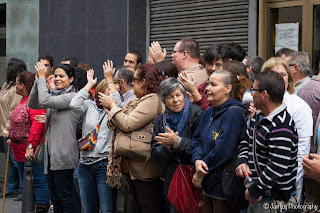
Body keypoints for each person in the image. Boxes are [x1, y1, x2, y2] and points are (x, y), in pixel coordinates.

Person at [99, 64, 165, 213]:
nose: (131, 83)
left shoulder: (152, 100)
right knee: (139, 206)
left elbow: (127, 123)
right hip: (133, 165)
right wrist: (113, 109)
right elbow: (117, 121)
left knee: (148, 206)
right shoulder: (136, 100)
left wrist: (112, 107)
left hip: (145, 166)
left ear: (143, 82)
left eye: (134, 79)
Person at [236, 70, 298, 213]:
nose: (251, 94)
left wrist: (254, 190)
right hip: (259, 198)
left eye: (254, 90)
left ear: (264, 94)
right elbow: (246, 140)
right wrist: (242, 161)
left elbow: (277, 166)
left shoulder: (281, 125)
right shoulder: (259, 116)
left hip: (274, 202)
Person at [191, 69, 248, 213]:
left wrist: (201, 171)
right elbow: (196, 138)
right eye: (208, 84)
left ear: (228, 89)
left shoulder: (234, 112)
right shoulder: (210, 111)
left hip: (223, 185)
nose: (208, 89)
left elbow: (223, 150)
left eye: (213, 85)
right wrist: (197, 160)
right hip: (208, 183)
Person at [28, 63, 81, 212]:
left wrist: (42, 80)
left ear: (71, 79)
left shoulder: (72, 97)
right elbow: (33, 103)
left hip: (64, 154)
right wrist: (39, 81)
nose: (57, 79)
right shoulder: (55, 95)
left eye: (61, 76)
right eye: (55, 76)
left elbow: (44, 101)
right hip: (51, 155)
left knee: (65, 197)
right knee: (55, 197)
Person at [261, 57, 313, 203]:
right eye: (273, 74)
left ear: (289, 79)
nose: (278, 78)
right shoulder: (259, 103)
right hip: (259, 184)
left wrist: (291, 188)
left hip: (285, 188)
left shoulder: (299, 107)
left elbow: (302, 151)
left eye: (283, 75)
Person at [151, 78, 203, 212]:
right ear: (163, 100)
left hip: (194, 175)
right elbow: (155, 153)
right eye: (170, 97)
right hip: (172, 177)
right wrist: (167, 148)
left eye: (178, 95)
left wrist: (176, 142)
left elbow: (202, 146)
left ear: (184, 95)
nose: (176, 100)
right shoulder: (160, 121)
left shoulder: (196, 114)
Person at [70, 69, 118, 213]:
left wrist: (112, 102)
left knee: (106, 208)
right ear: (99, 92)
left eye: (113, 91)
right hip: (85, 164)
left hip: (104, 164)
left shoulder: (117, 110)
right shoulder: (89, 105)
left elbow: (119, 103)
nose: (110, 94)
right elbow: (74, 104)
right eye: (107, 91)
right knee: (87, 208)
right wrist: (89, 84)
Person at [7, 71, 50, 212]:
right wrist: (12, 138)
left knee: (38, 181)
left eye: (17, 83)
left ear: (24, 85)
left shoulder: (34, 101)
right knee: (27, 184)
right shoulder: (23, 100)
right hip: (18, 150)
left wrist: (31, 145)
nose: (16, 87)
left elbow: (37, 125)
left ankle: (41, 207)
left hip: (30, 151)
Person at [0, 58, 26, 198]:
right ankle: (12, 187)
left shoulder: (17, 88)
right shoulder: (7, 85)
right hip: (4, 129)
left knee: (16, 160)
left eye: (10, 66)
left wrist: (7, 128)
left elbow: (14, 111)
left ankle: (23, 188)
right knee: (9, 160)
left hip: (11, 130)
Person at [178, 43, 229, 111]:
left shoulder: (228, 88)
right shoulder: (202, 86)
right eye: (210, 64)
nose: (213, 68)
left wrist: (194, 92)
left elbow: (212, 115)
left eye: (218, 65)